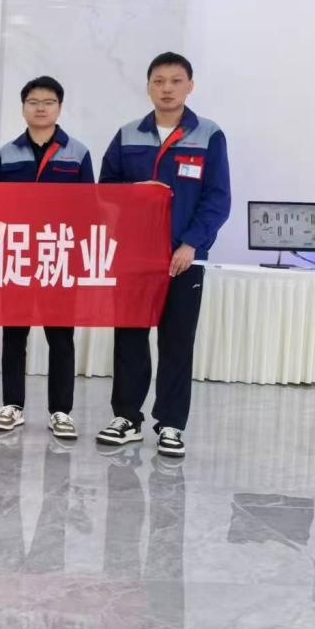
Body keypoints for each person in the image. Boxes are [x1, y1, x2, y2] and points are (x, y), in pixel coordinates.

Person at [95, 52, 231, 458]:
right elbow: (106, 190)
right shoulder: (127, 135)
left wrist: (191, 244)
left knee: (177, 341)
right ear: (148, 86)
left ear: (190, 86)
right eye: (159, 81)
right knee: (130, 338)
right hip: (135, 257)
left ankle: (171, 424)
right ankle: (127, 417)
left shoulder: (208, 135)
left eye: (175, 81)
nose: (167, 89)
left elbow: (217, 198)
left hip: (183, 259)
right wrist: (133, 194)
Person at [0, 76, 95, 440]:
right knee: (13, 335)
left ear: (59, 108)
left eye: (48, 102)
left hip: (59, 256)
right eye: (33, 101)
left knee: (61, 337)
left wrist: (78, 257)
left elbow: (88, 210)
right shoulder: (7, 153)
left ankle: (61, 411)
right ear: (23, 107)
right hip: (18, 255)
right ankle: (12, 406)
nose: (40, 108)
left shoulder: (77, 153)